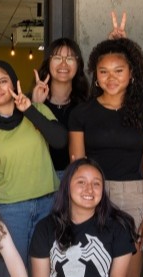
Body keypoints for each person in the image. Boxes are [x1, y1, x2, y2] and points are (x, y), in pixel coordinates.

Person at [67, 37, 143, 277]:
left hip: (134, 198)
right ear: (95, 75)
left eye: (118, 70)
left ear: (131, 73)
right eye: (103, 71)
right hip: (93, 196)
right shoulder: (82, 113)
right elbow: (78, 166)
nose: (111, 78)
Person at [0, 60, 67, 274]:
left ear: (14, 83)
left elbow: (60, 140)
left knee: (48, 271)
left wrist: (29, 110)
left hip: (48, 204)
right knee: (15, 274)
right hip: (9, 209)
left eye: (3, 81)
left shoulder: (38, 110)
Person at [30, 158, 136, 277]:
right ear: (67, 186)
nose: (89, 189)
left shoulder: (118, 228)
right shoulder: (46, 228)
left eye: (96, 184)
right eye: (81, 182)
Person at [31, 37, 89, 176]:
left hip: (74, 178)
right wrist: (35, 106)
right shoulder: (30, 101)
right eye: (57, 57)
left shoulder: (86, 105)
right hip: (39, 181)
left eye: (70, 58)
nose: (63, 64)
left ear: (78, 64)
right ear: (48, 63)